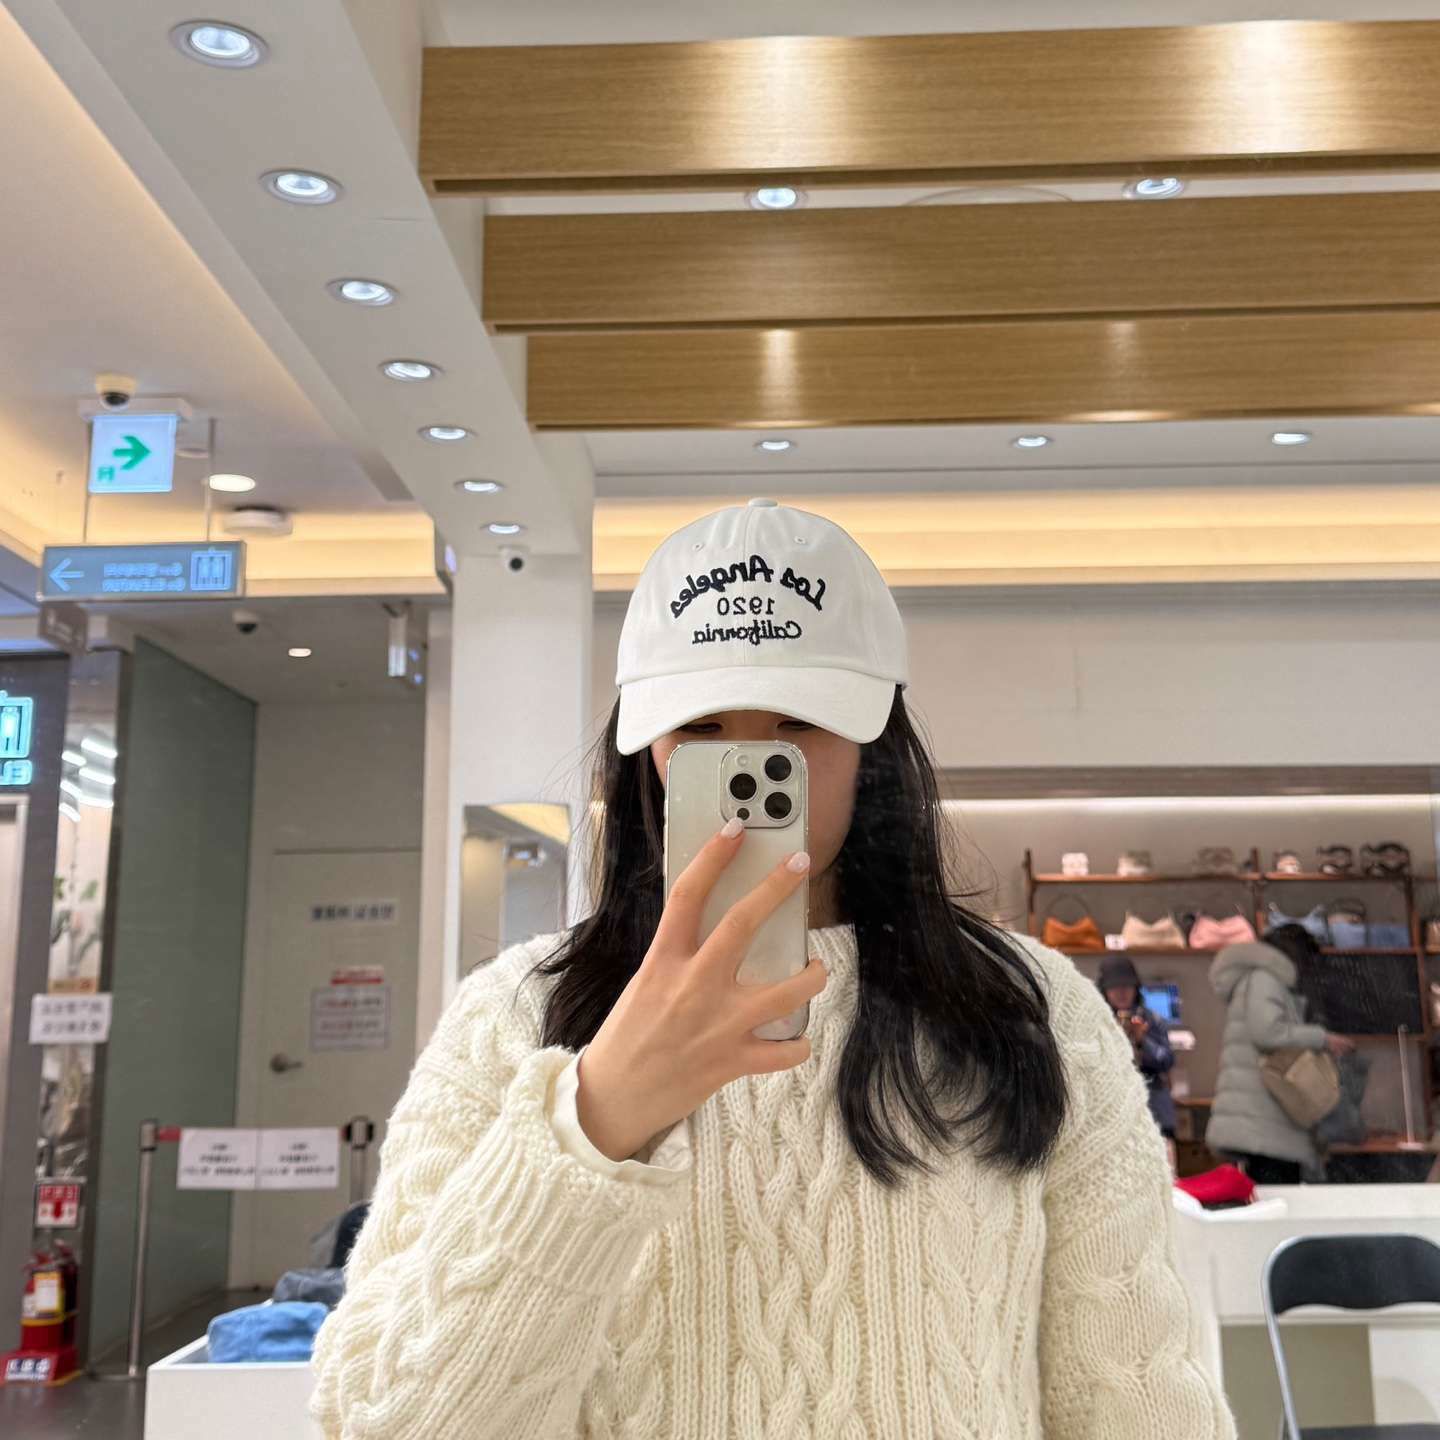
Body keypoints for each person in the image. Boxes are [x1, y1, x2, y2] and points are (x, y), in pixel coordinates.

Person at [310, 500, 1234, 1439]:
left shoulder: (1036, 1012)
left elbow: (1139, 1401)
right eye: (701, 727)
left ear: (875, 748)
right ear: (646, 752)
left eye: (800, 723)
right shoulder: (513, 1018)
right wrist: (593, 1121)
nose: (749, 768)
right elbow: (383, 1424)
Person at [1207, 924, 1355, 1184]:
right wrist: (1321, 1038)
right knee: (1278, 1195)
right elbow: (1267, 1032)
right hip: (1264, 1118)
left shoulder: (1259, 978)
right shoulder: (1266, 978)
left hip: (1257, 1117)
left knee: (1268, 1193)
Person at [1096, 955, 1176, 1162]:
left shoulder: (1152, 1020)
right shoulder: (1096, 1021)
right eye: (1115, 987)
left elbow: (1166, 1060)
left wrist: (1142, 1040)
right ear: (1105, 990)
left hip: (1153, 1112)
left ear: (1136, 988)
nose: (1121, 992)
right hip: (1110, 1115)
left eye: (1127, 986)